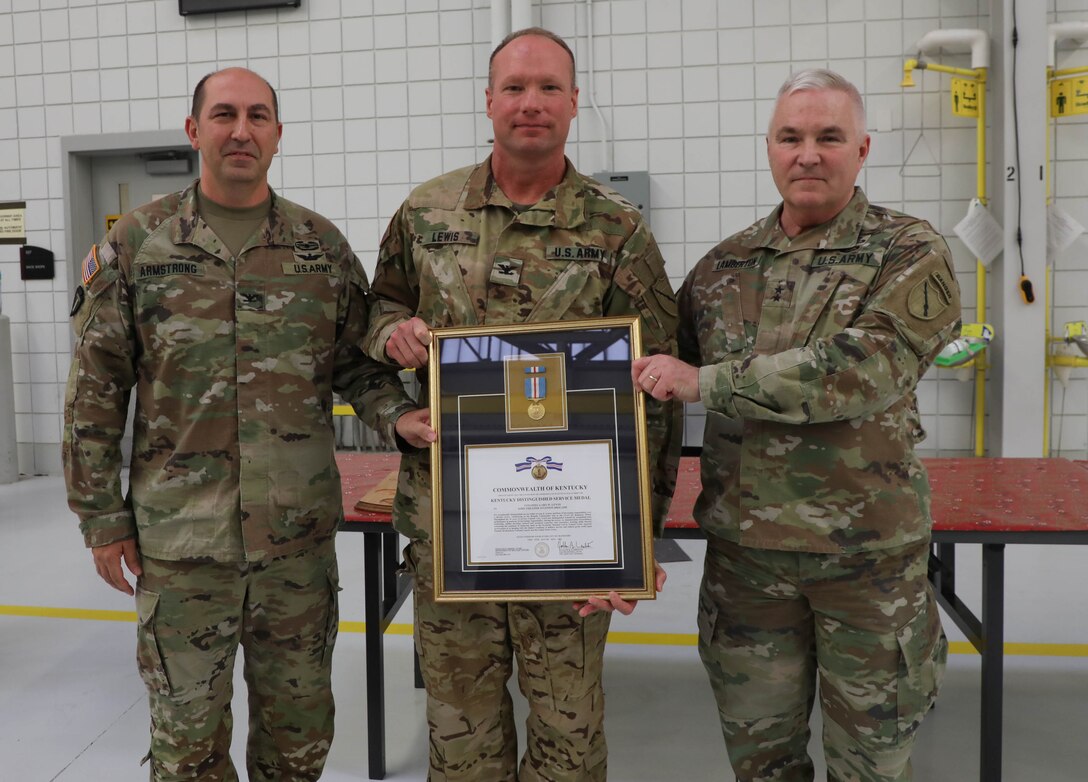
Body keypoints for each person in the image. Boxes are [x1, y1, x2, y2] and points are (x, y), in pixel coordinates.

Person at [62, 67, 414, 781]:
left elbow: (356, 367)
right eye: (224, 114)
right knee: (186, 750)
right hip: (181, 548)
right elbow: (95, 392)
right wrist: (102, 519)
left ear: (278, 136)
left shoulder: (320, 248)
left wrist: (400, 416)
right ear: (194, 130)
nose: (241, 130)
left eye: (258, 116)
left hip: (297, 550)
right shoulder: (138, 245)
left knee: (299, 743)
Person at [363, 28, 681, 782]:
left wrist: (639, 543)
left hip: (573, 536)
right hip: (452, 528)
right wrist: (394, 360)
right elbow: (367, 323)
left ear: (574, 102)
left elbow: (656, 398)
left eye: (547, 88)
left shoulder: (618, 230)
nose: (530, 103)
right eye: (514, 87)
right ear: (488, 101)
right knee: (460, 740)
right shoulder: (425, 212)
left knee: (569, 742)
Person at [632, 69, 960, 781]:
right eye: (791, 137)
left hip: (867, 564)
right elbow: (647, 392)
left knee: (870, 766)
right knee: (762, 763)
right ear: (770, 148)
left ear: (862, 149)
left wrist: (707, 382)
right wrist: (625, 537)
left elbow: (863, 368)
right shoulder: (724, 266)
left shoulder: (907, 251)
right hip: (746, 567)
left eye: (828, 137)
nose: (808, 153)